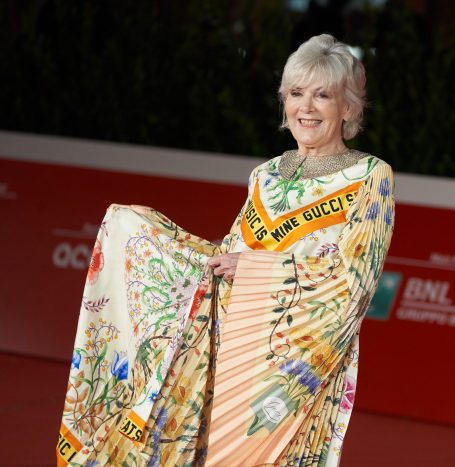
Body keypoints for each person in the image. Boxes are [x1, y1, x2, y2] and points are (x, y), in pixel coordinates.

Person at [57, 34, 395, 466]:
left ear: (348, 108)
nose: (306, 107)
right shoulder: (265, 174)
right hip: (222, 345)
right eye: (296, 93)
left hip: (291, 365)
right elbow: (229, 257)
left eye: (322, 95)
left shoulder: (370, 176)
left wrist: (255, 270)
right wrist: (154, 242)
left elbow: (355, 281)